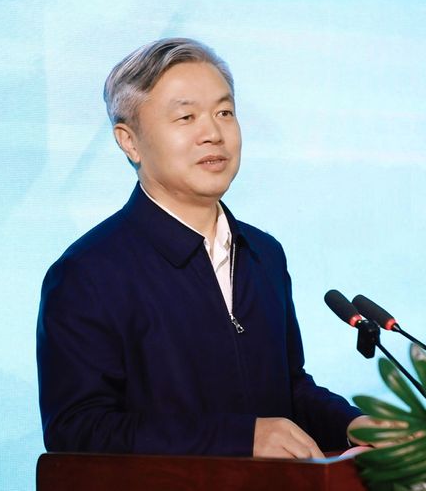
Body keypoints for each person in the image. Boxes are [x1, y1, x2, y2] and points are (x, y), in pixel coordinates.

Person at [37, 37, 374, 458]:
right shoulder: (88, 273)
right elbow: (78, 430)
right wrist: (242, 438)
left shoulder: (264, 254)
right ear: (129, 141)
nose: (213, 133)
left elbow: (288, 390)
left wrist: (353, 424)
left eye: (224, 112)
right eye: (186, 117)